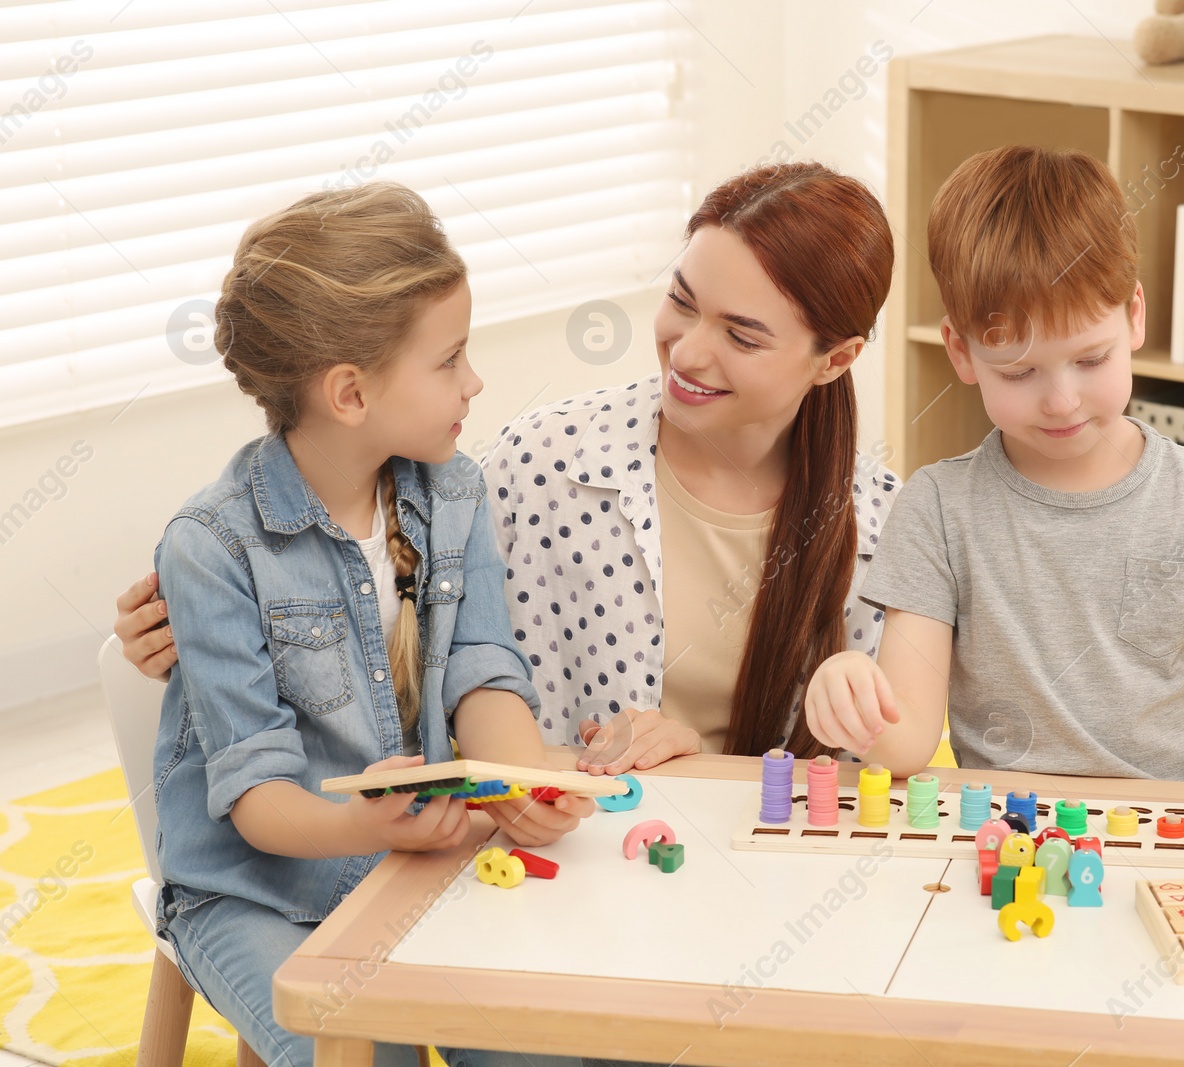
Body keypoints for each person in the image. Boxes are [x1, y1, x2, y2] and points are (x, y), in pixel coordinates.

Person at [116, 161, 901, 776]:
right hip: (553, 860)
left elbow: (866, 782)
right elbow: (387, 615)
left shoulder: (886, 524)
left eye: (743, 334)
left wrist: (696, 762)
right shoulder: (544, 463)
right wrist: (198, 622)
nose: (689, 350)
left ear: (834, 359)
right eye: (683, 301)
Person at [803, 145, 1184, 838]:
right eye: (1018, 372)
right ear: (961, 352)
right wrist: (848, 690)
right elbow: (902, 744)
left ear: (1134, 315)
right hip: (1012, 843)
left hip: (1178, 832)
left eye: (1091, 358)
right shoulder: (936, 508)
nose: (1061, 399)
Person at [148, 182, 591, 1067]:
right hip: (257, 892)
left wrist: (517, 781)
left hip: (418, 859)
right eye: (449, 360)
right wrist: (370, 827)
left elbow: (484, 669)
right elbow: (260, 801)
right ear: (350, 392)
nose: (474, 382)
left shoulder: (454, 490)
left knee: (539, 1045)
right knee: (359, 1055)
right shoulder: (212, 546)